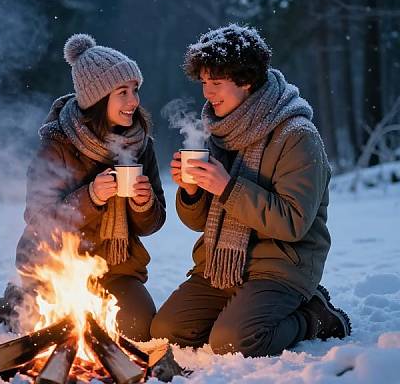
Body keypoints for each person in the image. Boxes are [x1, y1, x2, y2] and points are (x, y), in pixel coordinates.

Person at [150, 23, 351, 357]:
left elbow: (293, 223)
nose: (207, 93)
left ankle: (314, 317)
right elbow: (199, 222)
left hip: (281, 265)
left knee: (234, 342)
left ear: (245, 80)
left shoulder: (297, 135)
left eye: (216, 83)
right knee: (168, 330)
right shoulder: (220, 131)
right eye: (203, 83)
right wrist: (191, 192)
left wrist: (227, 188)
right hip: (221, 263)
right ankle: (242, 309)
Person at [0, 33, 166, 341]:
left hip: (115, 268)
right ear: (97, 98)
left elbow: (154, 223)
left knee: (137, 330)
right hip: (55, 263)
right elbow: (40, 219)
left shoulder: (141, 145)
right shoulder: (57, 145)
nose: (134, 101)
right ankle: (15, 300)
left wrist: (144, 202)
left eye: (135, 89)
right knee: (50, 328)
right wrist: (92, 196)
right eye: (122, 92)